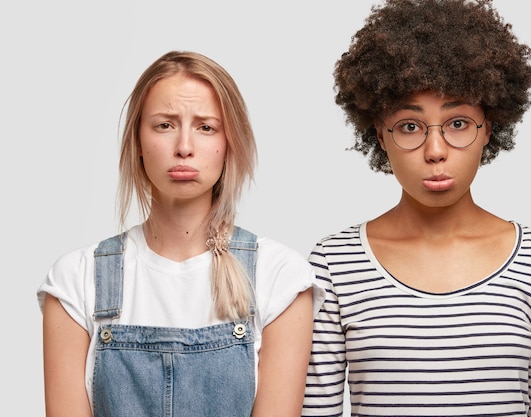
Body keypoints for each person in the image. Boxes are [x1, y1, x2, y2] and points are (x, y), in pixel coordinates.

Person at [302, 0, 531, 416]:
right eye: (410, 126)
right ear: (380, 134)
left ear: (490, 129)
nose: (435, 151)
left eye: (458, 123)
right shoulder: (333, 264)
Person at [38, 50, 324, 417]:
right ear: (138, 142)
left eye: (206, 127)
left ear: (229, 143)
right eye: (165, 125)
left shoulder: (280, 276)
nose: (184, 147)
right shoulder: (75, 279)